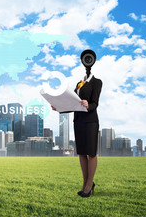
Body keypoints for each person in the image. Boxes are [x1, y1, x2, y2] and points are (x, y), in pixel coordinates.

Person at [52, 49, 102, 198]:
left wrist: (88, 104)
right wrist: (59, 108)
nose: (86, 61)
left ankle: (89, 184)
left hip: (91, 121)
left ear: (91, 61)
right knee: (81, 153)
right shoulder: (79, 84)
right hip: (78, 121)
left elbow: (95, 103)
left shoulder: (96, 82)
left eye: (88, 58)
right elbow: (72, 103)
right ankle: (85, 183)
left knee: (91, 153)